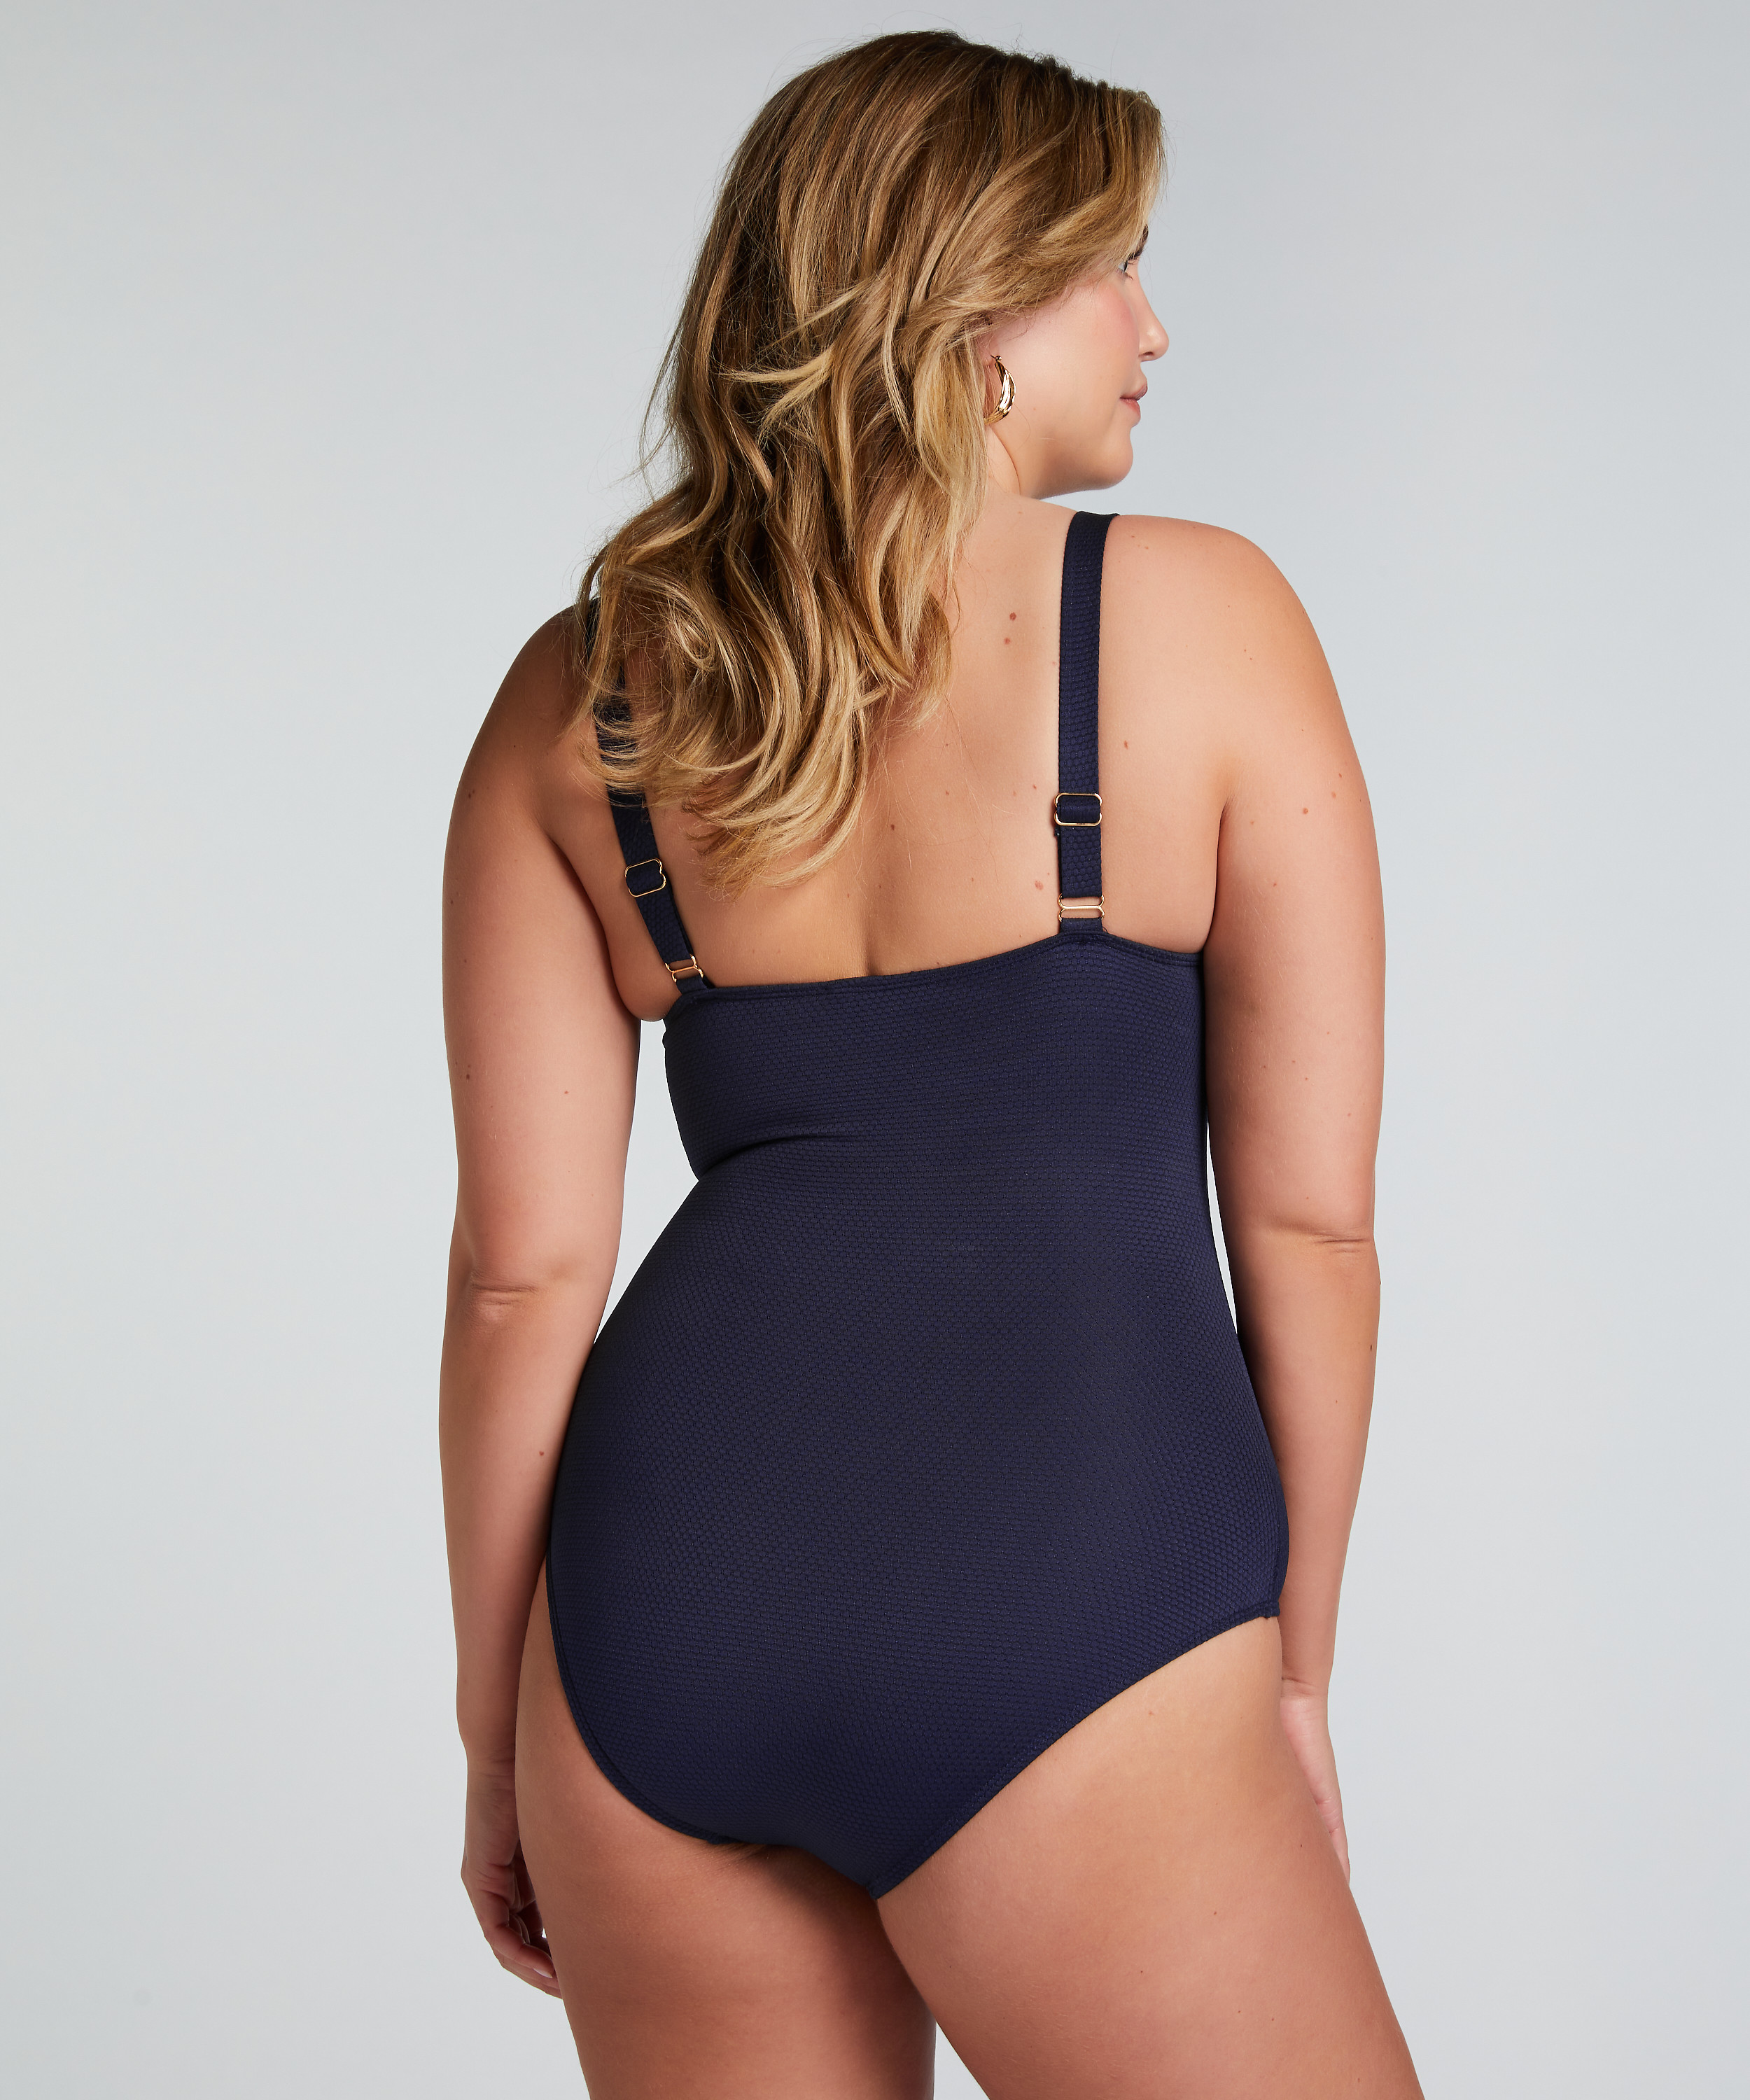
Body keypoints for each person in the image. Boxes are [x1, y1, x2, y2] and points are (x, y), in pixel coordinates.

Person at [440, 29, 1421, 2097]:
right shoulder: (1204, 618)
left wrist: (501, 1732)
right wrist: (1291, 1677)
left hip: (653, 1627)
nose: (1151, 326)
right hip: (1069, 1582)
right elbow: (1311, 1236)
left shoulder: (577, 696)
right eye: (1110, 266)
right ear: (974, 316)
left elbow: (523, 1280)